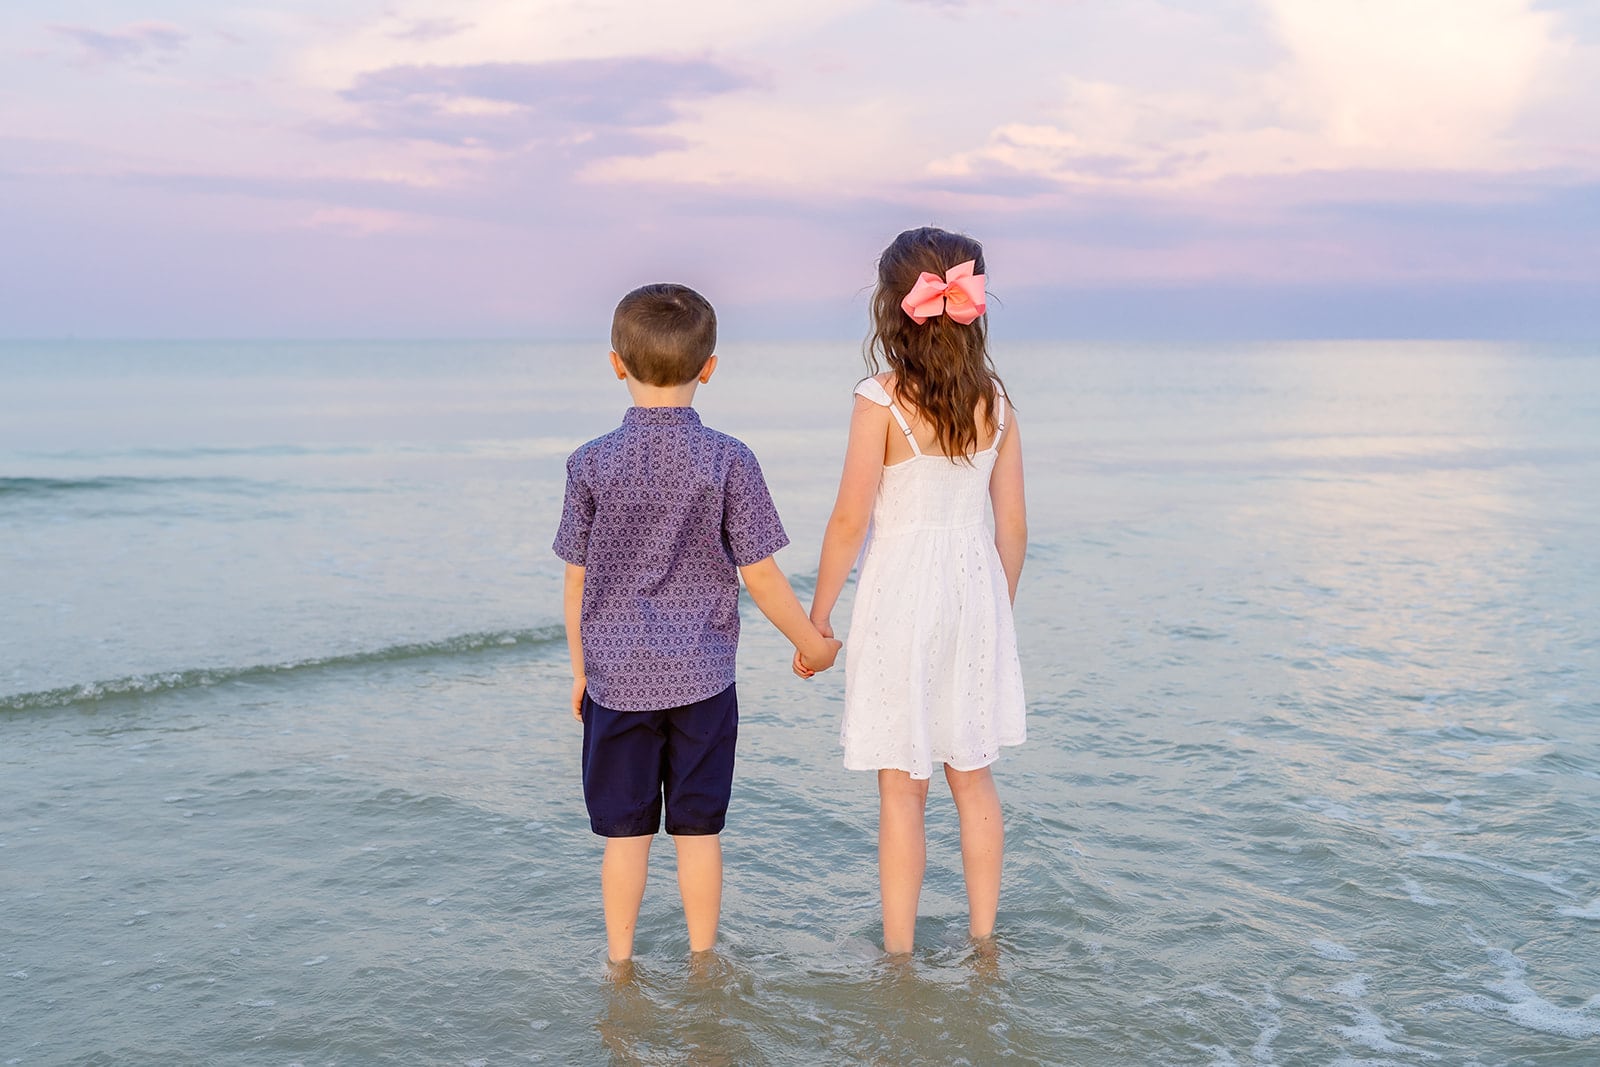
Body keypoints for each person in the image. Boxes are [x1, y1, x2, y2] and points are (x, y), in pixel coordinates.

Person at [554, 282, 841, 964]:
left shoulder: (589, 462)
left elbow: (576, 578)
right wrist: (813, 644)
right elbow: (761, 575)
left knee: (624, 837)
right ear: (709, 366)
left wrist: (582, 672)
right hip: (703, 680)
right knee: (698, 831)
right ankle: (703, 961)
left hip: (618, 682)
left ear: (615, 362)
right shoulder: (730, 458)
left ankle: (619, 963)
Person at [800, 227, 1027, 955]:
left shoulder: (881, 399)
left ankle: (899, 954)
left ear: (891, 308)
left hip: (901, 598)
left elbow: (848, 519)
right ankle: (984, 940)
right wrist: (997, 608)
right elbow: (1014, 527)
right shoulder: (997, 402)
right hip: (974, 595)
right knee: (974, 777)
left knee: (903, 788)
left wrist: (819, 616)